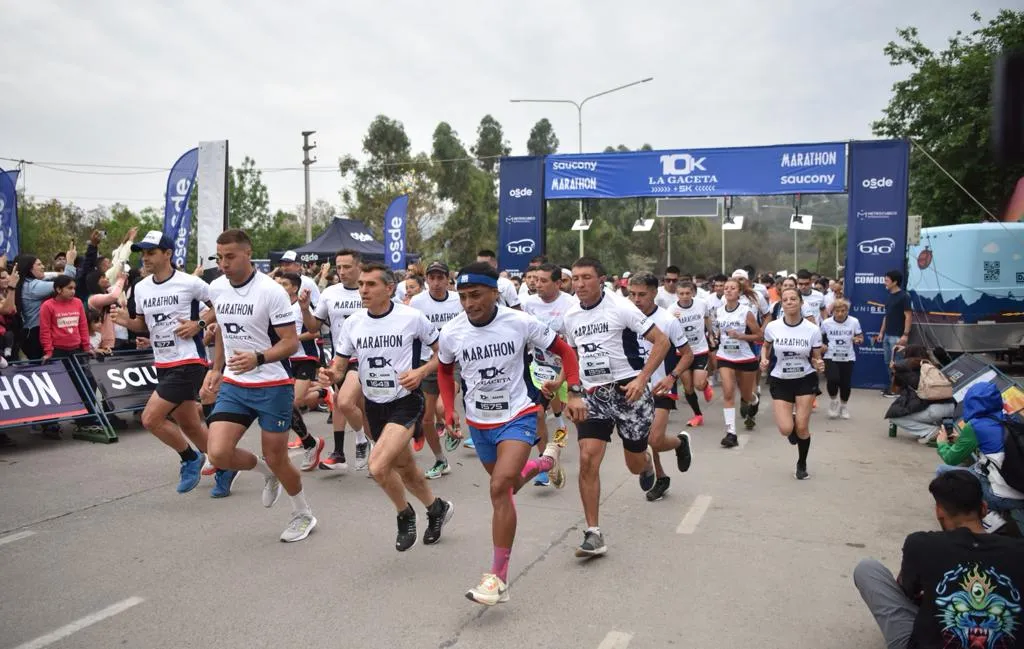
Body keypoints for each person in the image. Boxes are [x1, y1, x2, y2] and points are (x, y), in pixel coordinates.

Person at [436, 262, 583, 605]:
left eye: (476, 295)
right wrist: (449, 407)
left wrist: (572, 389)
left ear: (495, 293)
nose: (470, 303)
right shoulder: (452, 332)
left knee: (500, 486)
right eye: (463, 297)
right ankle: (545, 464)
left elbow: (565, 351)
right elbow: (444, 371)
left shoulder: (519, 322)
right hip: (479, 421)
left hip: (518, 414)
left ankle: (497, 579)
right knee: (509, 484)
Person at [319, 262, 454, 552]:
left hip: (405, 402)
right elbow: (340, 364)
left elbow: (442, 352)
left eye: (370, 285)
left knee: (378, 467)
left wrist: (420, 372)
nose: (363, 290)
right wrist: (332, 374)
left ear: (389, 289)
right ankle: (436, 508)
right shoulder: (354, 322)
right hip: (374, 405)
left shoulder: (412, 317)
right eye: (361, 285)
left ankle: (404, 514)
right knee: (404, 467)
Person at [204, 229, 317, 543]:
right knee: (218, 453)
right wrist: (216, 368)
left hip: (272, 384)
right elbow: (224, 332)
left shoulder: (270, 291)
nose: (223, 264)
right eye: (219, 257)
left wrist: (259, 357)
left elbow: (291, 343)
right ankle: (267, 475)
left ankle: (303, 513)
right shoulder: (216, 288)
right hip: (235, 383)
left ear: (248, 253)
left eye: (230, 257)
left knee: (278, 457)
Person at [563, 257, 670, 557]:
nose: (580, 284)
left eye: (586, 277)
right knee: (587, 458)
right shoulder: (570, 314)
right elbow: (572, 352)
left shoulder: (621, 307)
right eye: (575, 278)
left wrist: (642, 378)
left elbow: (661, 342)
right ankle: (593, 533)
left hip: (628, 392)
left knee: (633, 464)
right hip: (593, 394)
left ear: (602, 279)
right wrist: (566, 387)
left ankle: (646, 461)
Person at [853, 471, 1024, 649]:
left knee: (867, 569)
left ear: (939, 512)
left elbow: (908, 592)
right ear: (984, 508)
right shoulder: (1019, 551)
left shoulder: (921, 544)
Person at [112, 232, 220, 492]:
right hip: (162, 362)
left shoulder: (190, 282)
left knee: (151, 419)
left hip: (189, 360)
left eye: (151, 252)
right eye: (143, 253)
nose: (145, 258)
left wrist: (200, 324)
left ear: (168, 254)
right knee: (189, 423)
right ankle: (225, 464)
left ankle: (190, 459)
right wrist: (127, 322)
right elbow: (143, 325)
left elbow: (222, 304)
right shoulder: (141, 287)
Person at [627, 272, 695, 502]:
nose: (636, 300)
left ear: (655, 293)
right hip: (632, 388)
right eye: (632, 294)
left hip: (660, 386)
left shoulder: (668, 321)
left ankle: (680, 442)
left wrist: (672, 377)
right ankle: (660, 476)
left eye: (642, 294)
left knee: (655, 439)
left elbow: (687, 355)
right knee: (645, 436)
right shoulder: (624, 318)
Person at [302, 249, 370, 471]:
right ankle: (346, 452)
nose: (341, 271)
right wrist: (305, 310)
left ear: (359, 266)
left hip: (367, 357)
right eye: (338, 267)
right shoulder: (330, 293)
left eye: (347, 267)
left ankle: (361, 441)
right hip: (342, 358)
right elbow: (314, 328)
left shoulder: (370, 289)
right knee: (353, 405)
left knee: (344, 401)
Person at [521, 262, 579, 484]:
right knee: (536, 414)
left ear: (558, 283)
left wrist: (564, 377)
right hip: (538, 367)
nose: (537, 285)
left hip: (566, 368)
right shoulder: (529, 304)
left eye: (544, 281)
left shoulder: (571, 305)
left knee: (571, 415)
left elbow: (574, 348)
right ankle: (544, 464)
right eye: (535, 280)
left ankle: (561, 427)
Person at [760, 287, 825, 480]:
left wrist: (819, 364)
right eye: (786, 300)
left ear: (801, 303)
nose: (789, 302)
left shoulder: (812, 330)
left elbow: (816, 357)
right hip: (781, 380)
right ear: (782, 304)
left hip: (805, 378)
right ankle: (793, 424)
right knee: (786, 429)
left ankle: (801, 463)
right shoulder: (773, 327)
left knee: (802, 427)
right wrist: (764, 359)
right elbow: (766, 347)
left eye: (793, 299)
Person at [408, 261, 465, 479]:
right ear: (426, 280)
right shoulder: (417, 302)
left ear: (448, 280)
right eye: (431, 278)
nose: (436, 282)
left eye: (440, 278)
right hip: (427, 362)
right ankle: (441, 460)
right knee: (425, 419)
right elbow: (412, 333)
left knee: (443, 407)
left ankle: (452, 422)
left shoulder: (457, 300)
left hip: (453, 361)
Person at [935, 382, 1024, 517]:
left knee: (943, 472)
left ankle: (965, 518)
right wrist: (962, 440)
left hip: (1000, 496)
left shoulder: (975, 425)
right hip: (1019, 489)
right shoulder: (1010, 419)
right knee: (973, 469)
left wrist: (941, 443)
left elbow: (951, 459)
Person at [274, 272, 326, 471]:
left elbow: (315, 331)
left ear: (294, 288)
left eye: (284, 284)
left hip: (305, 357)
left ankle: (307, 441)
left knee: (294, 401)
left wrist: (293, 338)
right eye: (279, 283)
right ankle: (307, 441)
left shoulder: (301, 307)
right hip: (285, 359)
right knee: (286, 402)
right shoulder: (279, 307)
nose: (280, 287)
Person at [714, 278, 763, 447]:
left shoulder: (746, 312)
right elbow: (719, 332)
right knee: (728, 393)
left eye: (732, 288)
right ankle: (731, 433)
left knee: (746, 395)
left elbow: (759, 336)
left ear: (739, 292)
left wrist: (740, 336)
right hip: (725, 357)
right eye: (726, 288)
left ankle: (754, 401)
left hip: (745, 357)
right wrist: (716, 337)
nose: (728, 290)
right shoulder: (719, 311)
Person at [15, 248, 77, 360]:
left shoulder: (25, 283)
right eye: (39, 265)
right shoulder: (34, 287)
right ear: (30, 269)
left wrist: (57, 273)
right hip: (36, 334)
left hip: (29, 333)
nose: (43, 267)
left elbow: (47, 275)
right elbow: (67, 281)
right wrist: (70, 261)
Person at [885, 345, 956, 443]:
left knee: (894, 417)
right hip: (950, 407)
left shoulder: (905, 370)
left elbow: (895, 390)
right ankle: (944, 431)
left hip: (934, 411)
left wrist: (895, 370)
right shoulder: (932, 366)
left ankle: (931, 432)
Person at [668, 281, 715, 428]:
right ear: (677, 294)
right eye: (681, 294)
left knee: (699, 384)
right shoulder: (671, 310)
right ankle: (698, 415)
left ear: (692, 293)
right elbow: (666, 330)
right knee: (688, 388)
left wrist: (711, 334)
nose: (685, 296)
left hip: (700, 349)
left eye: (687, 293)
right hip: (681, 352)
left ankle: (705, 385)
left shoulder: (701, 304)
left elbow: (707, 318)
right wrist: (673, 320)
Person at [820, 298, 862, 419]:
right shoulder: (826, 323)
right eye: (837, 311)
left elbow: (860, 337)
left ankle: (844, 406)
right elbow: (820, 338)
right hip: (830, 356)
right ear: (832, 311)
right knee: (832, 379)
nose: (840, 314)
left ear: (847, 311)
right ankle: (833, 401)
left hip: (847, 357)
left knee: (845, 384)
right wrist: (822, 346)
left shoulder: (854, 322)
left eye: (843, 311)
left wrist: (857, 340)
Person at [875, 270, 913, 398]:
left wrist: (905, 334)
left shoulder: (904, 296)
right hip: (887, 335)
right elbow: (887, 316)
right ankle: (892, 386)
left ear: (895, 282)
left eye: (887, 280)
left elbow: (908, 316)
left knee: (897, 364)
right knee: (888, 362)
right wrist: (881, 332)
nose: (885, 283)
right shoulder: (889, 296)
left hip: (898, 335)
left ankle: (899, 390)